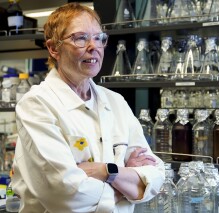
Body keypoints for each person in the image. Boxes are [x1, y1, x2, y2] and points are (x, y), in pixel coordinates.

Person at [11, 3, 165, 213]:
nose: (93, 46)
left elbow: (156, 175)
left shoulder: (115, 102)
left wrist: (105, 171)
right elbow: (66, 194)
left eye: (99, 38)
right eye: (80, 38)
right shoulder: (37, 104)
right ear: (54, 48)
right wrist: (129, 184)